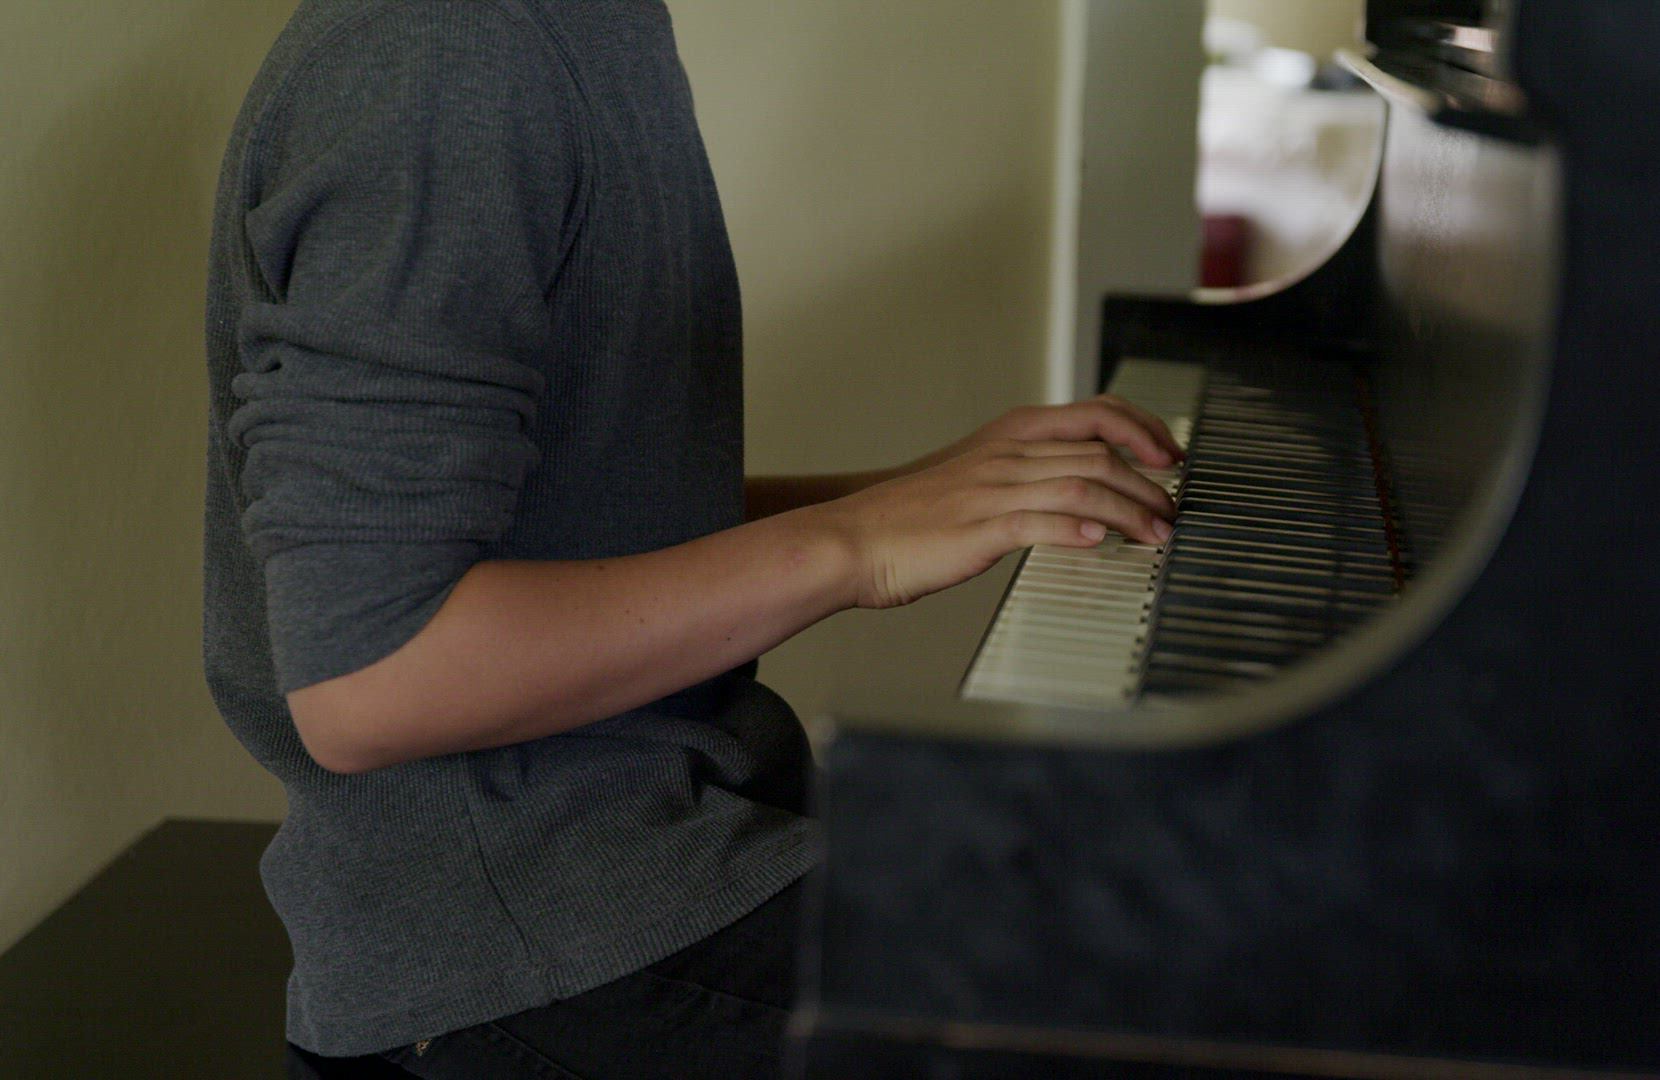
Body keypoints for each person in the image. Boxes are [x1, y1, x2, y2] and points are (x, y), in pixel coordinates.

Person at [204, 1, 1180, 1077]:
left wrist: (921, 493)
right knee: (1204, 1000)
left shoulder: (574, 29)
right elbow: (370, 677)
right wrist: (854, 547)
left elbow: (582, 510)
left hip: (648, 857)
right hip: (526, 950)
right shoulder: (450, 46)